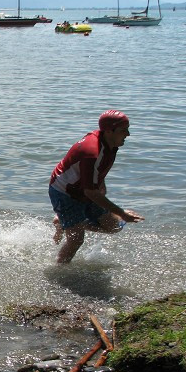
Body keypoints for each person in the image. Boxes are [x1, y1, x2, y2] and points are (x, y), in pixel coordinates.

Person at [49, 110, 144, 264]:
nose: (128, 134)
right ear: (108, 131)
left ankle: (64, 222)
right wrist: (121, 212)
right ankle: (60, 272)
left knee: (113, 227)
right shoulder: (92, 152)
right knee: (76, 240)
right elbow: (91, 191)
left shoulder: (110, 143)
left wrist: (102, 189)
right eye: (123, 130)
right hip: (65, 192)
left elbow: (97, 173)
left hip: (85, 189)